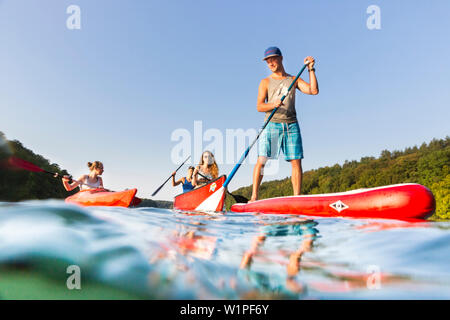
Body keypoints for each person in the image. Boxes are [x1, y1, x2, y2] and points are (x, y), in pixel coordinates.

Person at [250, 47, 318, 202]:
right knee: (262, 160)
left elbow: (313, 90)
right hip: (272, 124)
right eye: (268, 61)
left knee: (296, 161)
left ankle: (297, 198)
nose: (270, 63)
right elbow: (259, 106)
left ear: (280, 58)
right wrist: (273, 104)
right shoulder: (265, 82)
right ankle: (254, 196)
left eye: (273, 59)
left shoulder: (293, 79)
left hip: (291, 124)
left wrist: (311, 69)